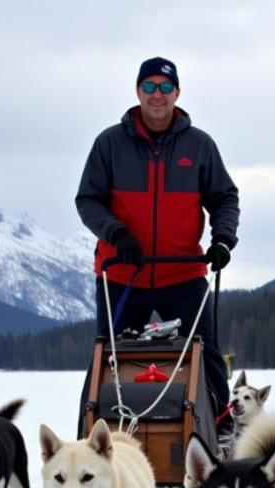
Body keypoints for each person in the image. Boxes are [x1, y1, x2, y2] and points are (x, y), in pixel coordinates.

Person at [75, 56, 240, 433]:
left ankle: (221, 425)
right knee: (108, 358)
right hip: (121, 274)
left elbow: (224, 198)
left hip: (182, 273)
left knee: (205, 354)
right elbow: (88, 200)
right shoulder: (109, 144)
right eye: (149, 87)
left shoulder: (199, 146)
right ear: (137, 92)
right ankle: (91, 429)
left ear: (177, 93)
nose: (157, 95)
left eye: (165, 88)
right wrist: (116, 234)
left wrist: (223, 240)